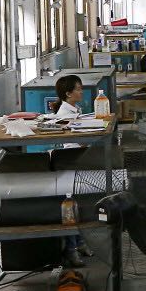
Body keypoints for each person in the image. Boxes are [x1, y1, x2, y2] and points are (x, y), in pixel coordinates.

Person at [53, 74, 90, 267]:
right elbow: (78, 139)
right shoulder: (65, 114)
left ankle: (80, 242)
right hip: (70, 161)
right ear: (68, 94)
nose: (81, 92)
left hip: (77, 158)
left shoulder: (73, 109)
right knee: (70, 208)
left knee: (78, 205)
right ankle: (71, 249)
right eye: (78, 89)